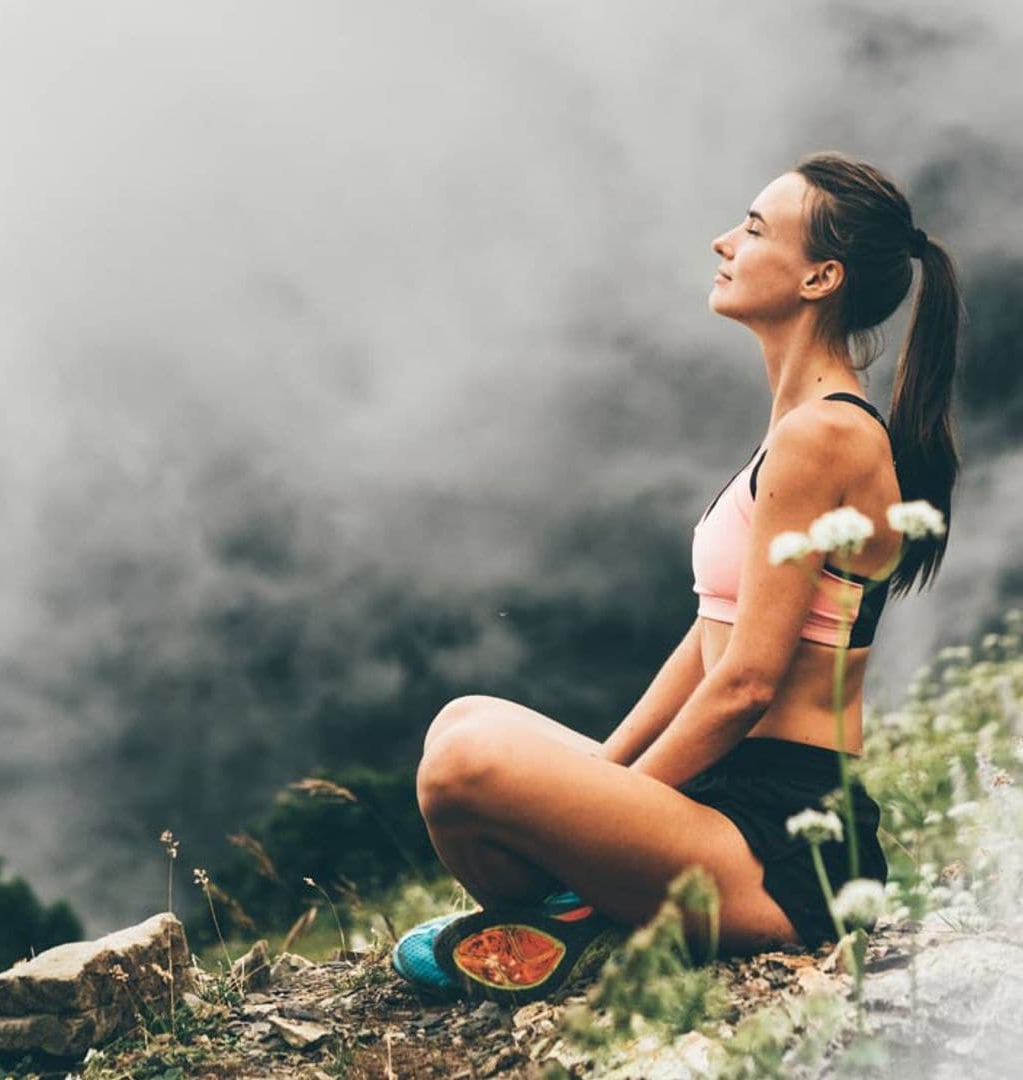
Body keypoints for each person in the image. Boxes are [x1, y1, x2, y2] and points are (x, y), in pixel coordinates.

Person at [391, 151, 963, 1003]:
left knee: (463, 766)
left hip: (784, 844)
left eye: (757, 229)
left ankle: (575, 916)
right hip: (722, 801)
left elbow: (746, 685)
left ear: (820, 277)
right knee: (465, 719)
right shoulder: (798, 429)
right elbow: (709, 642)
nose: (725, 241)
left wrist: (599, 813)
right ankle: (581, 916)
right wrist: (604, 794)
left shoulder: (826, 437)